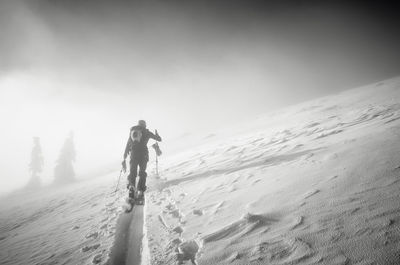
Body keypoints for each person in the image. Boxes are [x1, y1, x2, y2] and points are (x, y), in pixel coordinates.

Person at [122, 120, 162, 201]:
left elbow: (128, 144)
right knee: (142, 172)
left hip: (133, 154)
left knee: (133, 172)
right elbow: (159, 139)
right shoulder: (146, 132)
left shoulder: (132, 132)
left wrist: (125, 155)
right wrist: (157, 135)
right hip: (143, 154)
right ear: (144, 125)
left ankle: (131, 188)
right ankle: (140, 190)